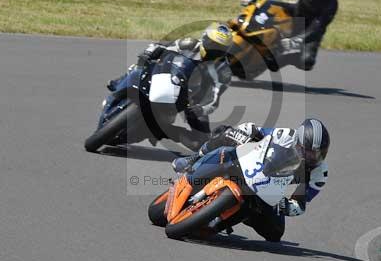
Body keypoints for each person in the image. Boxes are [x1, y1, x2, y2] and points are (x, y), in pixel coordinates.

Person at [173, 118, 330, 242]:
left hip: (270, 190)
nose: (313, 157)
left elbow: (301, 204)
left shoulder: (319, 173)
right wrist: (243, 135)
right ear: (299, 143)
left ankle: (232, 217)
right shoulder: (286, 136)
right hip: (253, 165)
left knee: (275, 234)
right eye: (308, 152)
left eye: (318, 153)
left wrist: (286, 206)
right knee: (226, 138)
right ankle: (194, 159)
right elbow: (256, 131)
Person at [107, 23, 234, 150]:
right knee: (143, 65)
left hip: (193, 98)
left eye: (220, 49)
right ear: (205, 39)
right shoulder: (189, 43)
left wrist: (201, 109)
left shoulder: (223, 70)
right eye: (213, 45)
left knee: (200, 142)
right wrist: (150, 52)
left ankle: (168, 132)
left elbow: (214, 98)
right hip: (169, 77)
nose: (215, 50)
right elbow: (161, 46)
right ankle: (119, 82)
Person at [239, 0, 338, 71]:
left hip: (310, 30)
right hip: (296, 12)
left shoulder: (331, 1)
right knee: (266, 7)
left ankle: (284, 59)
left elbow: (318, 26)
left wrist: (298, 39)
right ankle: (241, 26)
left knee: (306, 62)